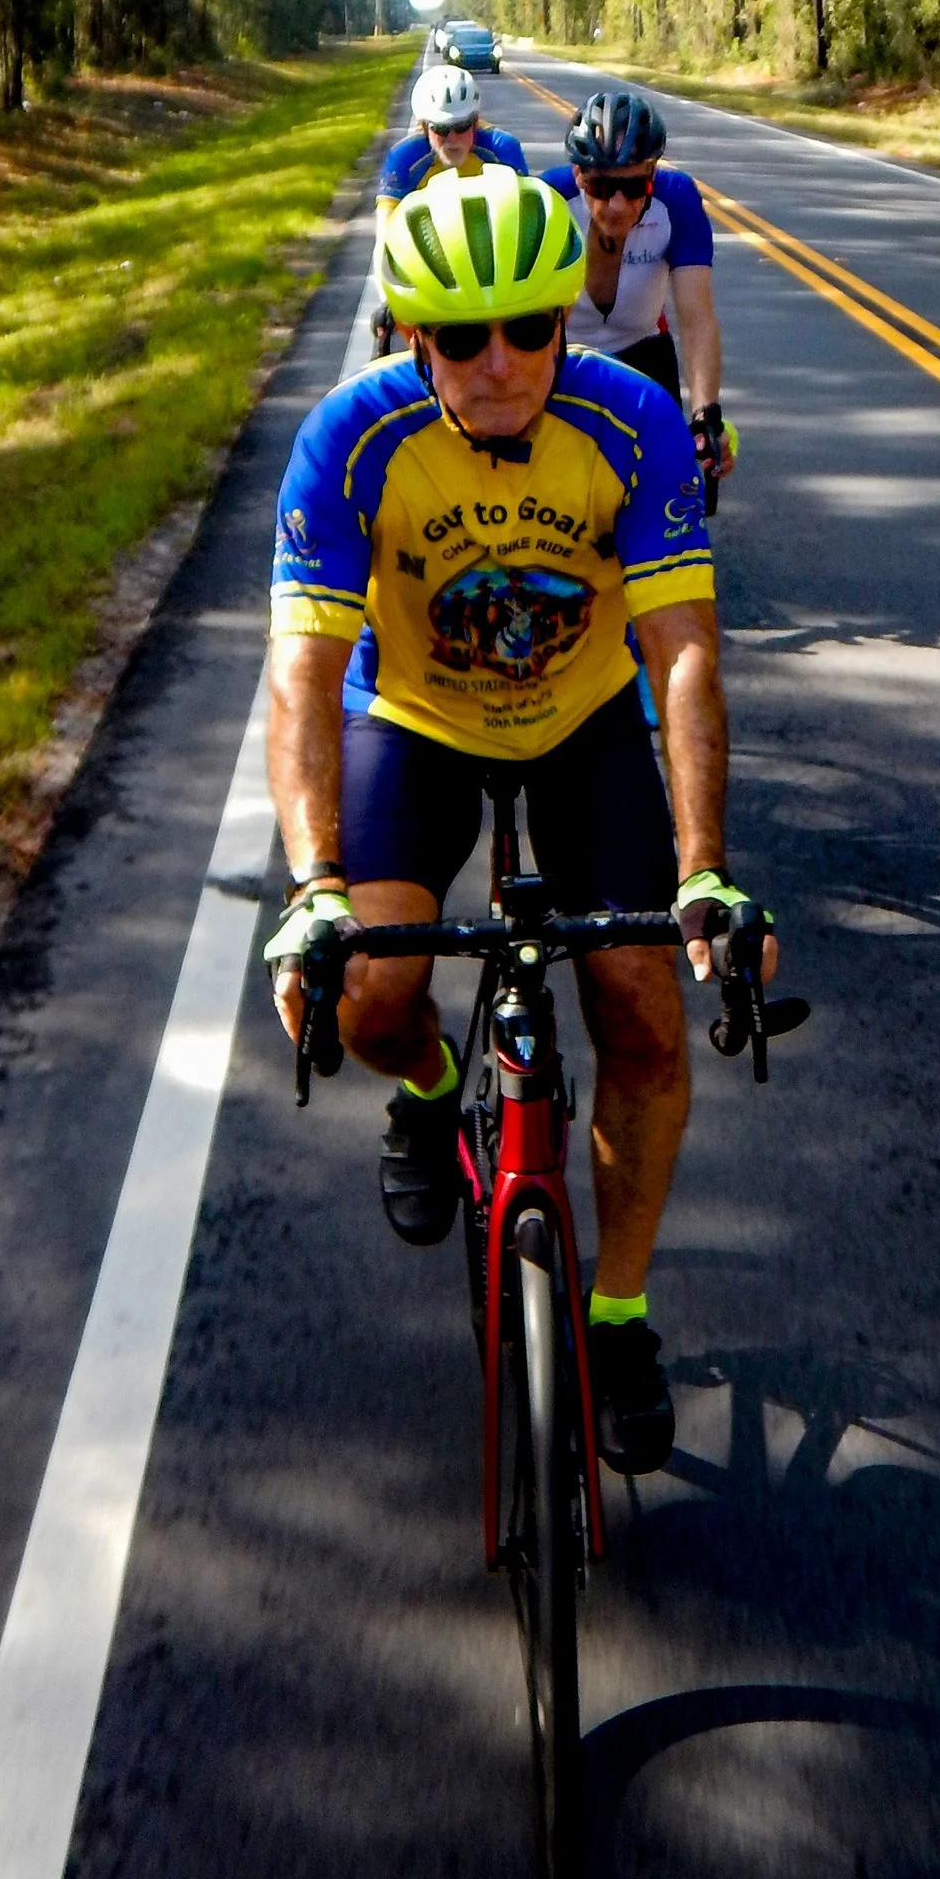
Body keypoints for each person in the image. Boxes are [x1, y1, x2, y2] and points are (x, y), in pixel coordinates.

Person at [263, 161, 776, 1476]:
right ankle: (433, 1097)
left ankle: (617, 1318)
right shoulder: (351, 441)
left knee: (646, 1004)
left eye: (534, 328)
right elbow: (303, 674)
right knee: (371, 998)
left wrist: (707, 870)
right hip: (416, 722)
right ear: (412, 337)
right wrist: (316, 886)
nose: (501, 364)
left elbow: (685, 652)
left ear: (565, 317)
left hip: (584, 717)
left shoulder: (636, 419)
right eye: (462, 337)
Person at [544, 82, 736, 486]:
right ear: (578, 175)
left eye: (634, 188)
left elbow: (697, 316)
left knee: (670, 479)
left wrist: (706, 414)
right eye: (600, 186)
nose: (616, 204)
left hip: (643, 349)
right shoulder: (546, 198)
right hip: (560, 353)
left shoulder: (677, 199)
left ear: (652, 174)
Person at [369, 63, 533, 354]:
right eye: (442, 130)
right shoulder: (404, 158)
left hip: (490, 260)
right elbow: (385, 238)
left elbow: (524, 222)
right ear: (423, 126)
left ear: (476, 121)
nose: (454, 139)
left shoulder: (502, 149)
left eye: (462, 127)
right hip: (428, 264)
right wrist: (389, 300)